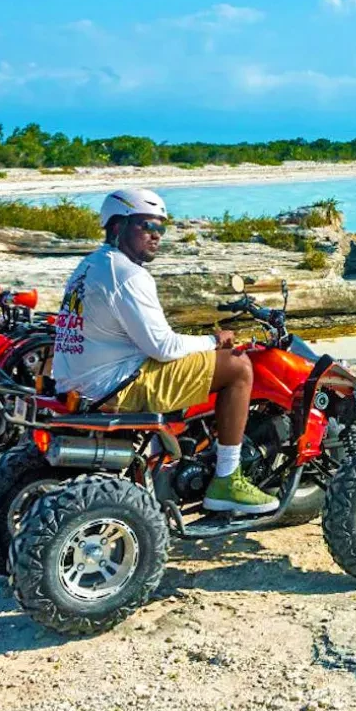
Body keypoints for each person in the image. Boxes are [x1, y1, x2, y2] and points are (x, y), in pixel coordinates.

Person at [50, 188, 272, 515]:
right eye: (146, 226)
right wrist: (213, 341)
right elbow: (164, 347)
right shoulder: (128, 274)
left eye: (160, 228)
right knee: (238, 367)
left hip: (80, 383)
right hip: (114, 386)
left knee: (199, 361)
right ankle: (227, 478)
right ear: (116, 227)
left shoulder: (90, 265)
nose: (156, 236)